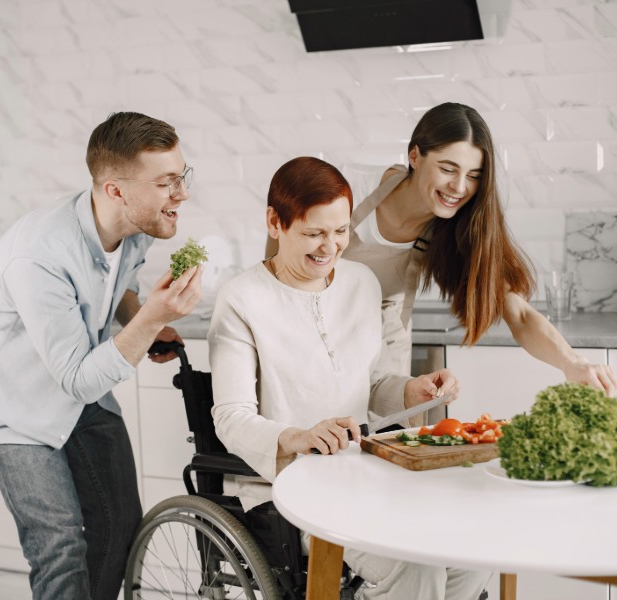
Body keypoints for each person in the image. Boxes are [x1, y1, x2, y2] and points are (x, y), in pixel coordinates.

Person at [208, 156, 491, 600]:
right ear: (275, 223)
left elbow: (373, 384)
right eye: (314, 233)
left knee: (468, 548)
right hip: (288, 488)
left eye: (340, 232)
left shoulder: (362, 283)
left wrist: (411, 389)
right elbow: (230, 417)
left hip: (363, 475)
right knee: (414, 564)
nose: (330, 246)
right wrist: (299, 436)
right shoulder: (243, 299)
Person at [0, 111, 204, 600]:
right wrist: (150, 319)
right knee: (61, 545)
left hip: (78, 380)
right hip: (15, 405)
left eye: (182, 177)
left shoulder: (130, 228)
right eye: (166, 183)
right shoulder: (41, 256)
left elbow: (122, 288)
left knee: (120, 523)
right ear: (115, 190)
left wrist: (141, 317)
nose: (182, 194)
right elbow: (77, 379)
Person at [268, 102, 617, 393]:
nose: (459, 187)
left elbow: (519, 313)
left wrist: (572, 363)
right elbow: (274, 272)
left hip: (382, 351)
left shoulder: (458, 229)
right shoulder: (347, 188)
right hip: (306, 334)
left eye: (474, 175)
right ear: (415, 156)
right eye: (448, 168)